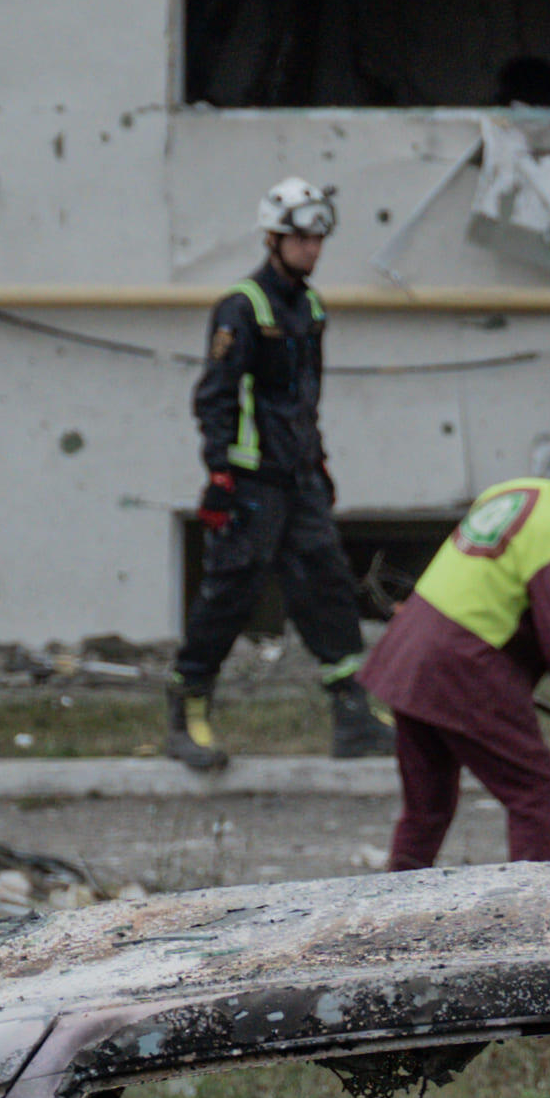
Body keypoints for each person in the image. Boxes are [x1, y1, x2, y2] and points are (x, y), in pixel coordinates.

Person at [168, 181, 378, 772]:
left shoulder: (310, 308)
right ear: (274, 238)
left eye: (319, 239)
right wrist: (219, 473)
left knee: (328, 586)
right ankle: (186, 713)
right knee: (231, 592)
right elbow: (215, 396)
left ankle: (353, 716)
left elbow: (304, 400)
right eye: (302, 238)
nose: (313, 249)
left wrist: (319, 460)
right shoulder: (243, 307)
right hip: (252, 481)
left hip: (299, 478)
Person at [364, 441, 550, 868]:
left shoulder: (516, 492)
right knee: (536, 789)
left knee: (427, 806)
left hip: (411, 653)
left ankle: (396, 897)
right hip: (464, 664)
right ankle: (530, 902)